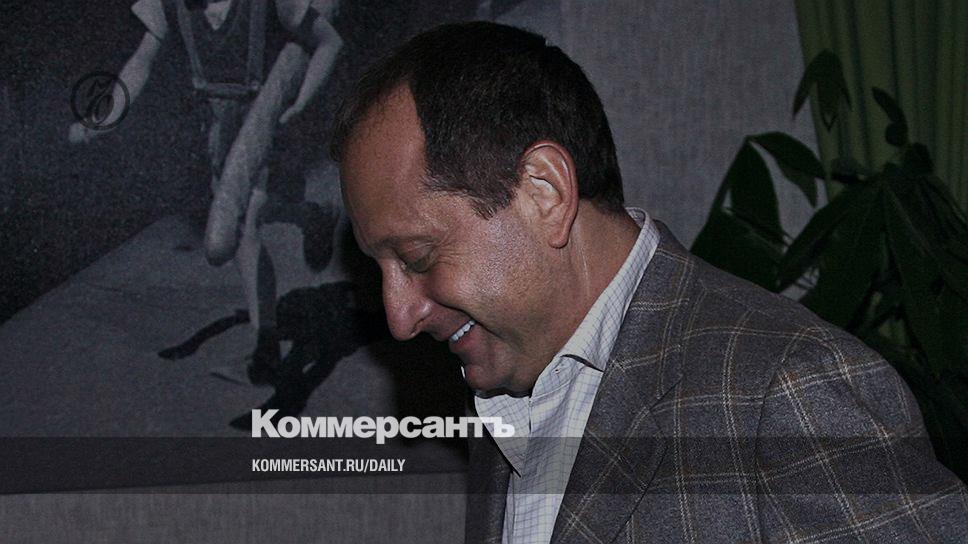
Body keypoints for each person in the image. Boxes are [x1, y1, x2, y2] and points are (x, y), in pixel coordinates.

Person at [331, 21, 968, 544]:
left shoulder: (790, 389)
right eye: (378, 270)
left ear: (544, 192)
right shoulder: (507, 397)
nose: (398, 317)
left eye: (416, 257)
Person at [68, 0, 343, 384]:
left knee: (245, 227)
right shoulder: (172, 5)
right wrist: (106, 117)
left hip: (272, 124)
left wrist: (299, 103)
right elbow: (141, 61)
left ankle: (265, 353)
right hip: (219, 125)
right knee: (257, 214)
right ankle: (312, 216)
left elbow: (329, 42)